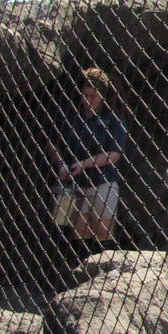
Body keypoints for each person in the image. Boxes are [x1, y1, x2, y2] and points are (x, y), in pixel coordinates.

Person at [50, 67, 128, 244]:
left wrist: (84, 164)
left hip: (102, 182)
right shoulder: (68, 112)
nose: (88, 100)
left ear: (103, 95)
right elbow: (51, 141)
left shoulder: (113, 117)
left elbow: (114, 154)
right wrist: (61, 164)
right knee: (72, 230)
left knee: (103, 232)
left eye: (93, 96)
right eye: (85, 95)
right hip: (70, 181)